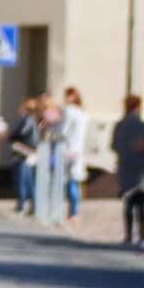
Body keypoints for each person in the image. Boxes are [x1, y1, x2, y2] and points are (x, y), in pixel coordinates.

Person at [111, 95, 144, 246]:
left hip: (125, 166)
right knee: (141, 203)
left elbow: (114, 146)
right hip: (141, 167)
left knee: (128, 201)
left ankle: (128, 235)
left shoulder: (119, 125)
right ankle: (142, 235)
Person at [59, 86, 90, 222]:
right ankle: (74, 212)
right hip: (78, 150)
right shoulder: (82, 112)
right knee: (74, 181)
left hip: (68, 150)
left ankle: (71, 212)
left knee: (70, 181)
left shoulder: (69, 111)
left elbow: (63, 130)